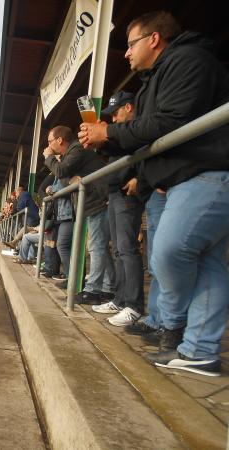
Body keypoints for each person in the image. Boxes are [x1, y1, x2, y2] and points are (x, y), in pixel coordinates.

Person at [78, 11, 229, 376]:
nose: (126, 54)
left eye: (130, 44)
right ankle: (199, 351)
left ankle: (172, 326)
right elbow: (147, 139)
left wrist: (109, 135)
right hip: (189, 178)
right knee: (205, 262)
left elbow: (168, 123)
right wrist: (103, 141)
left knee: (167, 253)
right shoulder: (159, 75)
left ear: (154, 39)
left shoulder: (189, 59)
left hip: (209, 174)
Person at [89, 92, 146, 327]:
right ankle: (120, 299)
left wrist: (139, 178)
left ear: (129, 107)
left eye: (116, 112)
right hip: (114, 194)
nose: (112, 119)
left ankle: (133, 305)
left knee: (127, 248)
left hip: (126, 193)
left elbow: (149, 151)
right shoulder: (121, 134)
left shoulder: (139, 128)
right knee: (118, 250)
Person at [44, 125, 114, 299]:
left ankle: (93, 291)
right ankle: (108, 286)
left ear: (59, 140)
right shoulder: (71, 153)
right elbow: (66, 178)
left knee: (97, 246)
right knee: (100, 246)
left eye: (49, 141)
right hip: (92, 202)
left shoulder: (76, 149)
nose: (48, 145)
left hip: (97, 200)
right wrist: (69, 177)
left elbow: (61, 172)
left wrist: (49, 157)